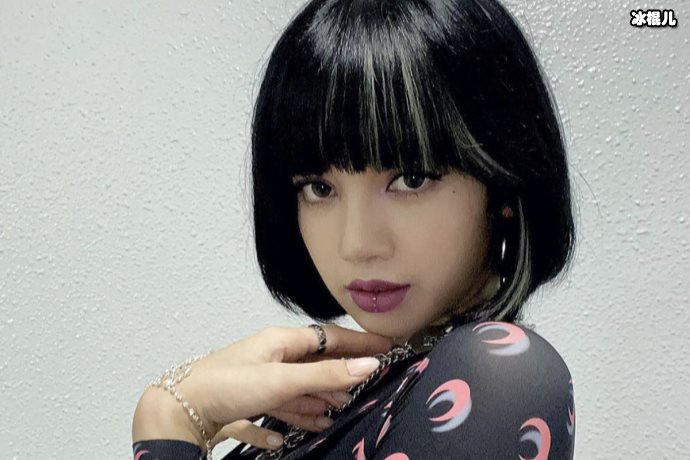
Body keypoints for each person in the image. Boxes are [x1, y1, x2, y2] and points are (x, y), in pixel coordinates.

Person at [132, 0, 577, 458]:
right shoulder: (344, 390)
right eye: (319, 188)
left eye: (411, 179)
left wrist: (168, 417)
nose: (357, 244)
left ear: (503, 185)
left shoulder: (500, 376)